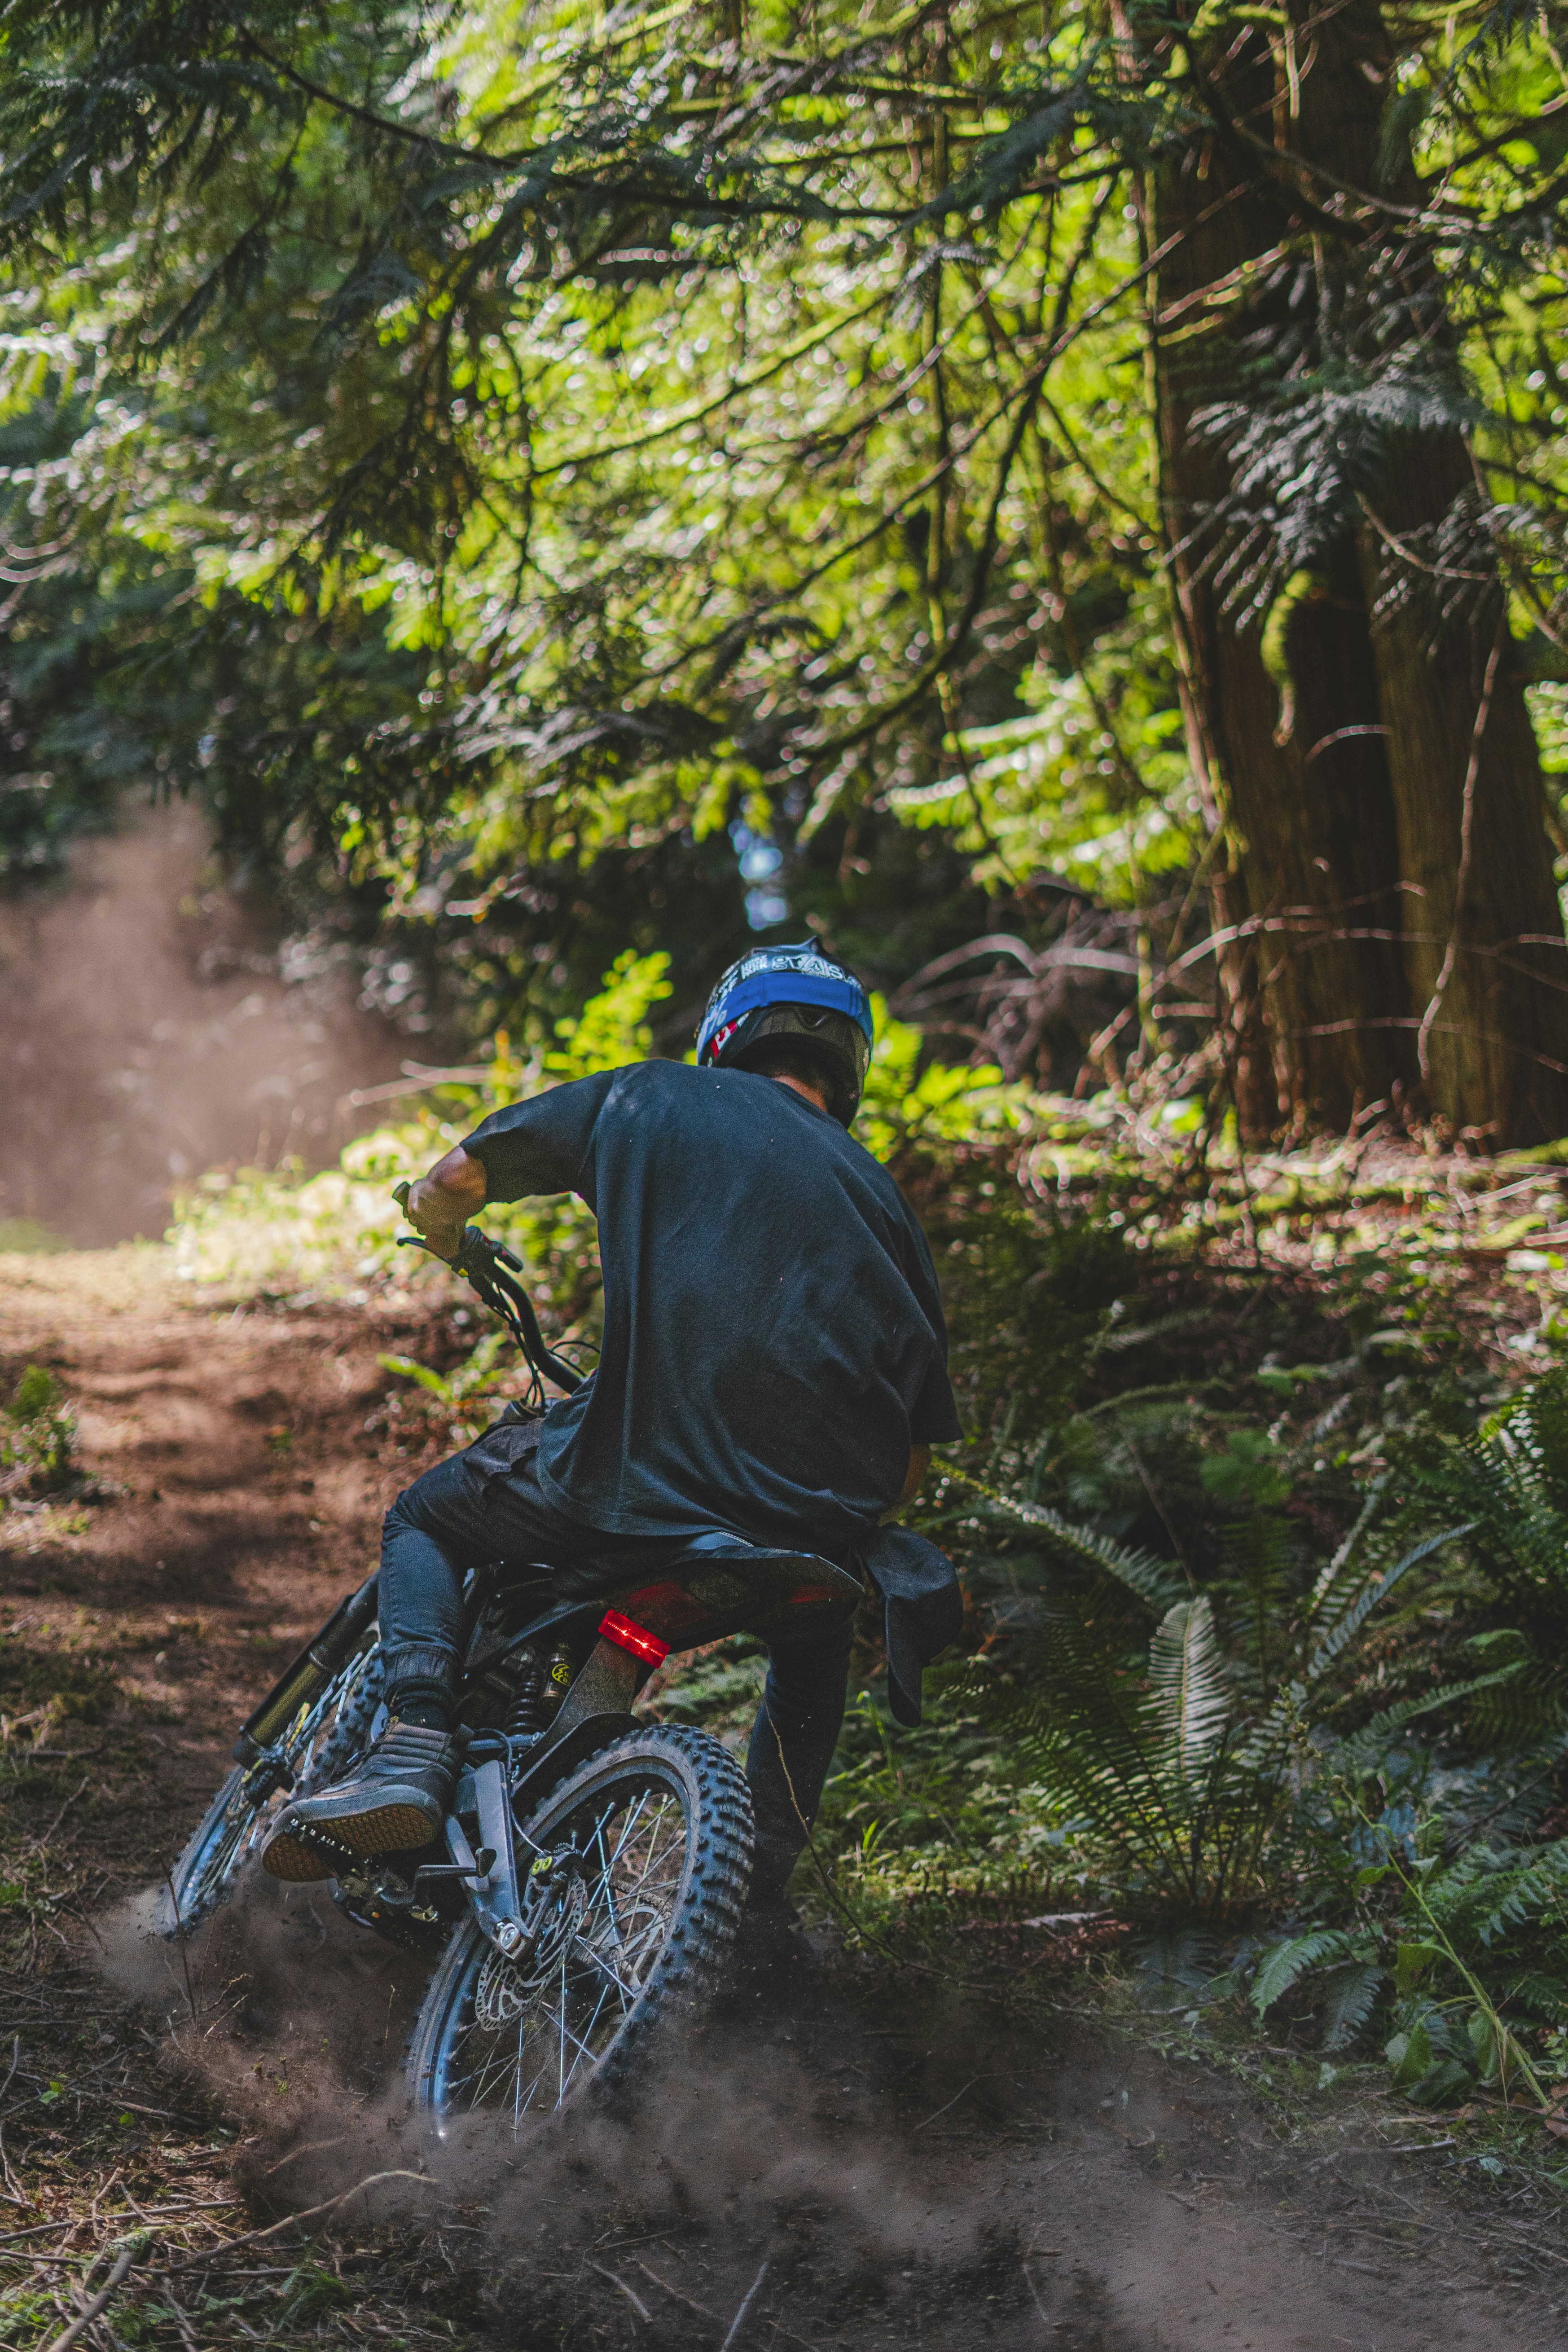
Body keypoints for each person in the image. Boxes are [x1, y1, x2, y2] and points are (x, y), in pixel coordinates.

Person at [261, 942, 963, 1955]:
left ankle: (412, 1743)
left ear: (727, 1032)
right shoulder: (885, 1202)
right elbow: (910, 1463)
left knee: (425, 1516)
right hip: (814, 1533)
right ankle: (755, 1910)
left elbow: (460, 1174)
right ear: (847, 1062)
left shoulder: (652, 1100)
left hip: (637, 1478)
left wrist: (443, 1225)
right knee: (812, 1664)